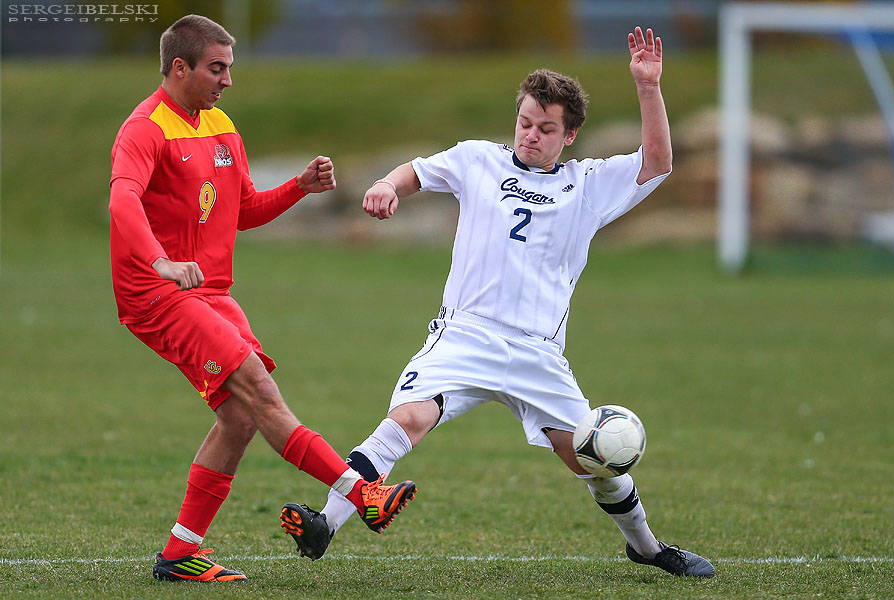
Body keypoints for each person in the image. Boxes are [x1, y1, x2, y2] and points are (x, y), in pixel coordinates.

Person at [287, 27, 714, 577]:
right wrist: (389, 185)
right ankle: (326, 522)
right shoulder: (479, 160)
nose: (531, 136)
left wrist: (647, 86)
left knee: (592, 458)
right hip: (465, 335)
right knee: (408, 419)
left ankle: (648, 547)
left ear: (570, 134)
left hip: (538, 353)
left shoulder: (587, 185)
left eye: (546, 129)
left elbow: (657, 160)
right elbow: (417, 170)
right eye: (526, 123)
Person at [109, 14, 416, 582]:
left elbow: (243, 210)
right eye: (216, 68)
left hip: (210, 294)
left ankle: (179, 554)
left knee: (240, 419)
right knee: (259, 388)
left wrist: (299, 187)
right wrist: (162, 264)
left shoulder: (220, 124)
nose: (227, 80)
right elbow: (122, 203)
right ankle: (363, 494)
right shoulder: (144, 129)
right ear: (180, 68)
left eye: (230, 68)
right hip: (159, 292)